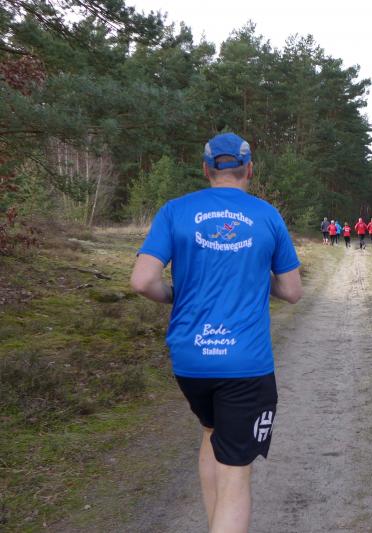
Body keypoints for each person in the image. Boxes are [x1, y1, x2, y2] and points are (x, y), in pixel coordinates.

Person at [130, 132, 302, 533]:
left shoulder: (175, 211)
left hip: (191, 360)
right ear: (250, 170)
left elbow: (142, 281)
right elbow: (293, 291)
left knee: (211, 433)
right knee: (236, 472)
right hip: (245, 364)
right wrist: (257, 277)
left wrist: (175, 294)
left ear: (206, 169)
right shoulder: (267, 215)